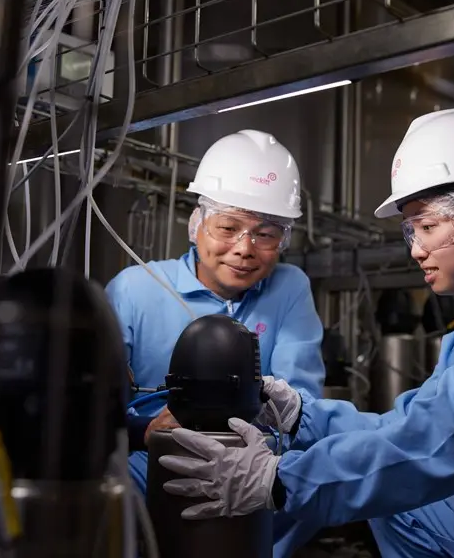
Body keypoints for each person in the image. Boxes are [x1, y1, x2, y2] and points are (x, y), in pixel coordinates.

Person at [156, 109, 454, 558]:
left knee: (394, 480)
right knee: (391, 494)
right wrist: (304, 417)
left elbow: (445, 442)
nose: (416, 250)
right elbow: (405, 429)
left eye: (426, 226)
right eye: (410, 232)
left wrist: (281, 480)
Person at [104, 129, 326, 557]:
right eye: (229, 227)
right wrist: (145, 431)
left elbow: (300, 403)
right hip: (151, 463)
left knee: (304, 492)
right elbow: (98, 410)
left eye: (266, 234)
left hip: (252, 462)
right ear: (197, 225)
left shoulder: (289, 287)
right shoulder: (137, 289)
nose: (244, 249)